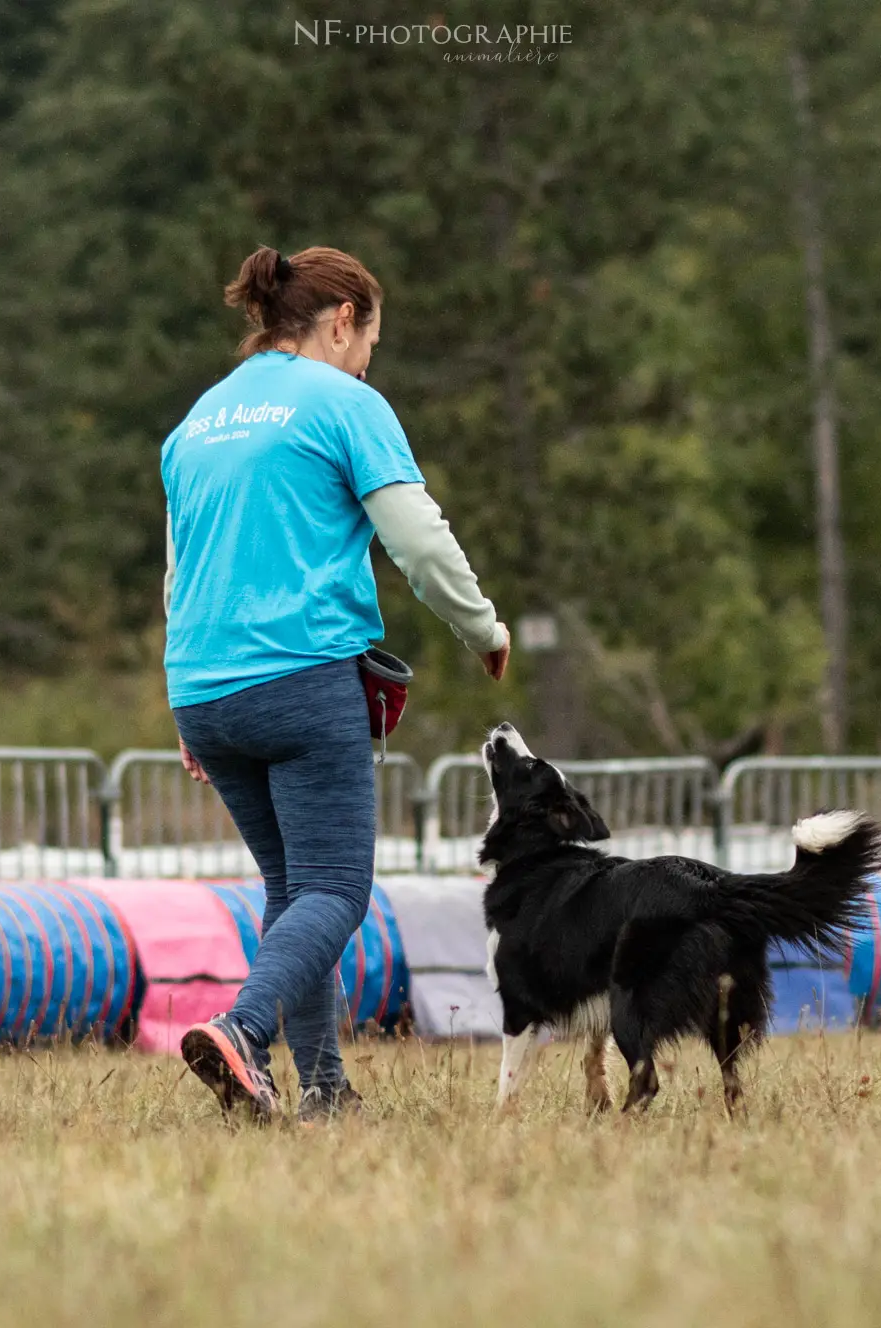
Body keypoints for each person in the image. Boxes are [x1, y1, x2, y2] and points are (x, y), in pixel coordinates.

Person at [162, 244, 510, 1121]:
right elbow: (419, 540)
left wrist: (188, 705)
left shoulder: (197, 422)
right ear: (343, 320)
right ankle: (243, 1033)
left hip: (202, 687)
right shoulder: (346, 404)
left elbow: (181, 573)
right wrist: (482, 628)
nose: (368, 364)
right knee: (336, 891)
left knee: (292, 893)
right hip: (300, 673)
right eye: (370, 343)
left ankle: (322, 1090)